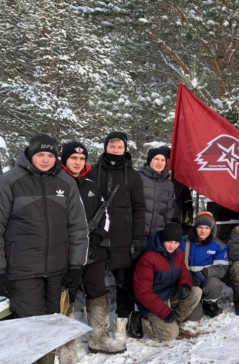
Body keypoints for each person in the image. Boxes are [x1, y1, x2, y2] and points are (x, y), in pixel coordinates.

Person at [0, 134, 89, 364]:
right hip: (22, 270)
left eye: (50, 155)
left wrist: (75, 264)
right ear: (30, 154)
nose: (46, 159)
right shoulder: (10, 181)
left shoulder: (65, 182)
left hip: (57, 270)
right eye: (40, 154)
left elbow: (78, 227)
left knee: (50, 328)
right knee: (28, 328)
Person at [59, 142, 126, 360]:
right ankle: (65, 345)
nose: (78, 162)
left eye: (81, 159)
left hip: (94, 252)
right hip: (65, 255)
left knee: (97, 292)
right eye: (73, 159)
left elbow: (104, 214)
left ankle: (100, 338)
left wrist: (99, 235)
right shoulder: (56, 184)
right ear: (65, 160)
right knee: (64, 297)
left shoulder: (91, 186)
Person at [87, 132, 145, 341]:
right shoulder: (92, 172)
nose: (115, 150)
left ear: (125, 149)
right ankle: (95, 324)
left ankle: (122, 320)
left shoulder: (134, 176)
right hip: (98, 234)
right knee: (93, 279)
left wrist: (138, 237)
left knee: (123, 280)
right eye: (112, 146)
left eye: (119, 147)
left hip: (124, 234)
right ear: (105, 147)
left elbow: (139, 208)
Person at [133, 222, 202, 341]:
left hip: (170, 294)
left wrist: (185, 285)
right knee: (170, 334)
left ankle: (175, 320)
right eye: (169, 241)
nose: (172, 246)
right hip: (152, 302)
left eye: (176, 242)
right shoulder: (148, 258)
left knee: (196, 291)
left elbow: (183, 271)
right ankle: (139, 320)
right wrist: (165, 312)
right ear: (163, 239)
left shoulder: (178, 252)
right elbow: (143, 293)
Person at [181, 212, 229, 318]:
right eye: (200, 227)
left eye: (207, 228)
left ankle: (209, 304)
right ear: (195, 228)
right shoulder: (183, 242)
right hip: (188, 281)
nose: (203, 231)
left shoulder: (219, 246)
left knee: (214, 284)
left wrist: (204, 273)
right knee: (194, 317)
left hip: (205, 280)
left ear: (211, 229)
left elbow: (221, 268)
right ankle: (193, 304)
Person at [139, 148, 174, 238]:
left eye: (163, 160)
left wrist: (167, 233)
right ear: (149, 160)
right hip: (138, 233)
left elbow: (169, 212)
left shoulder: (168, 184)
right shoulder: (138, 178)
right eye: (156, 159)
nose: (159, 163)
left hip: (157, 235)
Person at [158, 146, 193, 234]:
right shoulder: (149, 179)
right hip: (155, 224)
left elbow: (187, 204)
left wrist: (187, 224)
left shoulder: (179, 180)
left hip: (175, 225)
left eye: (166, 159)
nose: (162, 162)